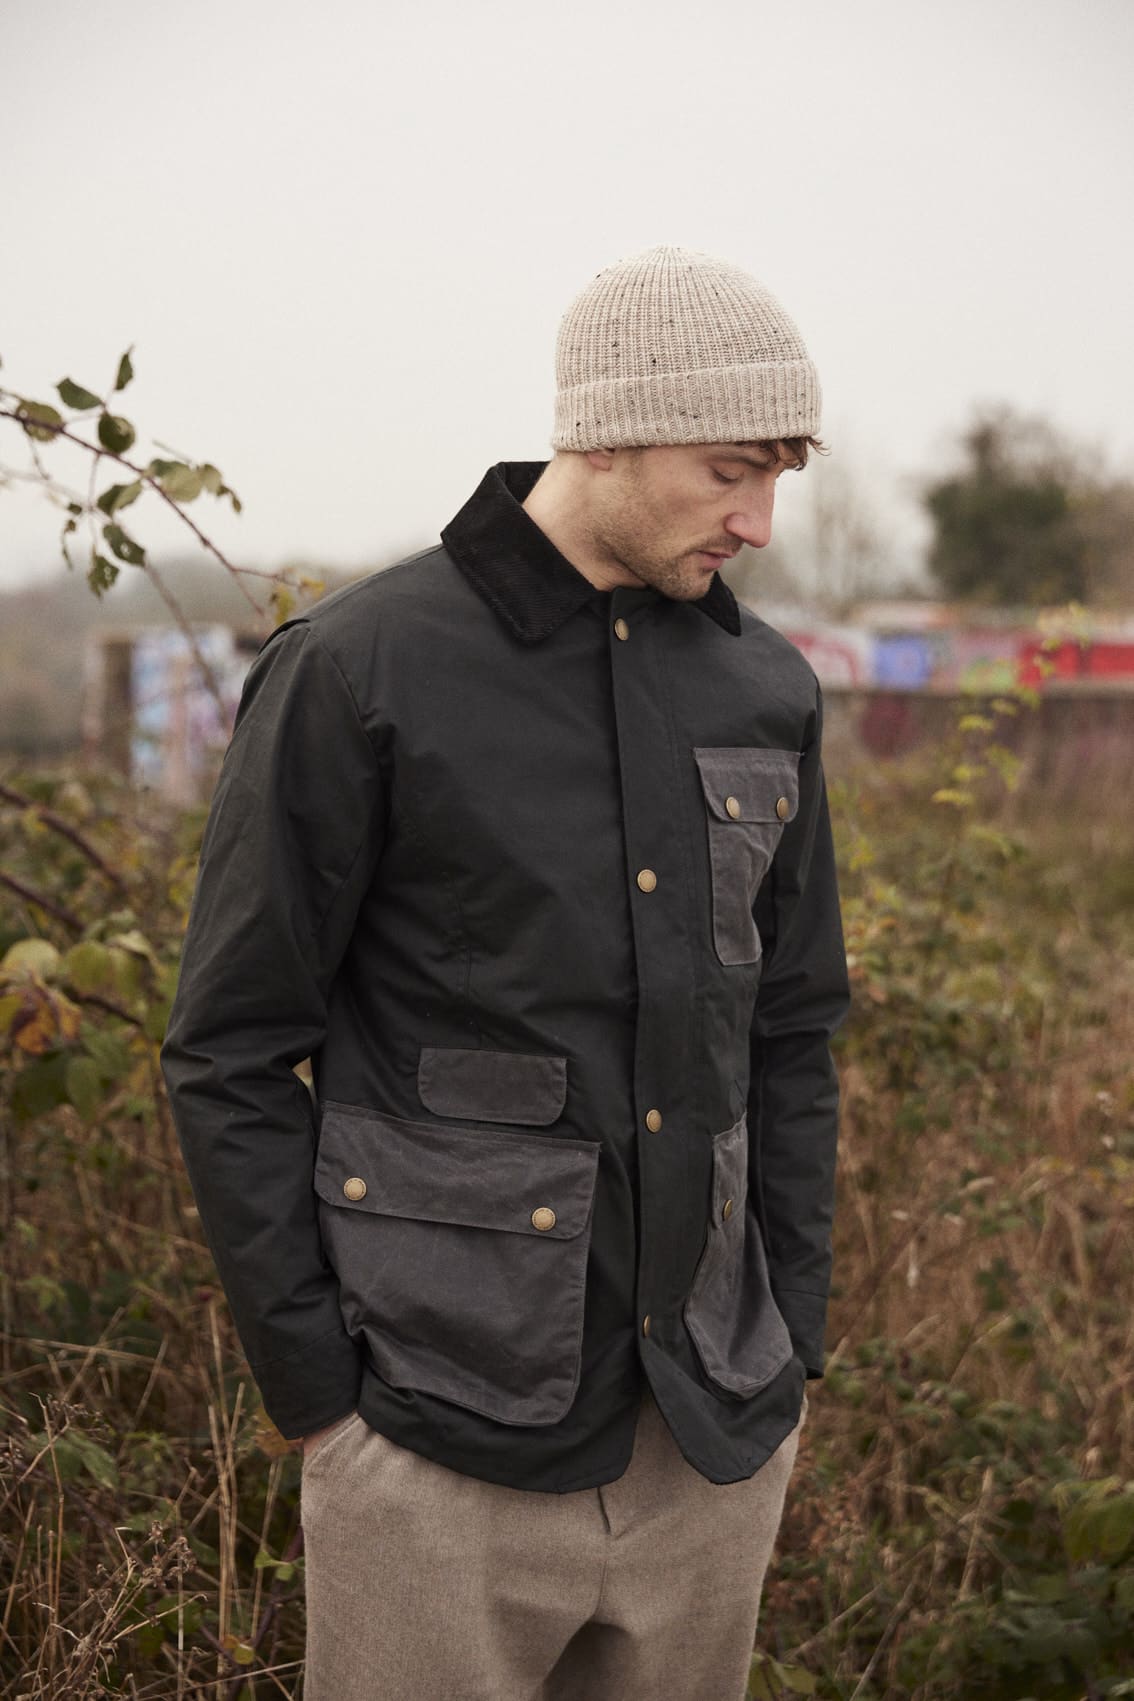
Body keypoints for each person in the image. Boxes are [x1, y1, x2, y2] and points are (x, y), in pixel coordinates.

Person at [160, 243, 851, 1701]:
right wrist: (321, 1399)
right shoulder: (361, 667)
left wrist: (792, 1332)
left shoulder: (765, 687)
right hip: (431, 1439)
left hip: (712, 1440)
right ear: (606, 433)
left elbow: (793, 1029)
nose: (759, 521)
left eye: (777, 478)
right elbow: (230, 1046)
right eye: (731, 471)